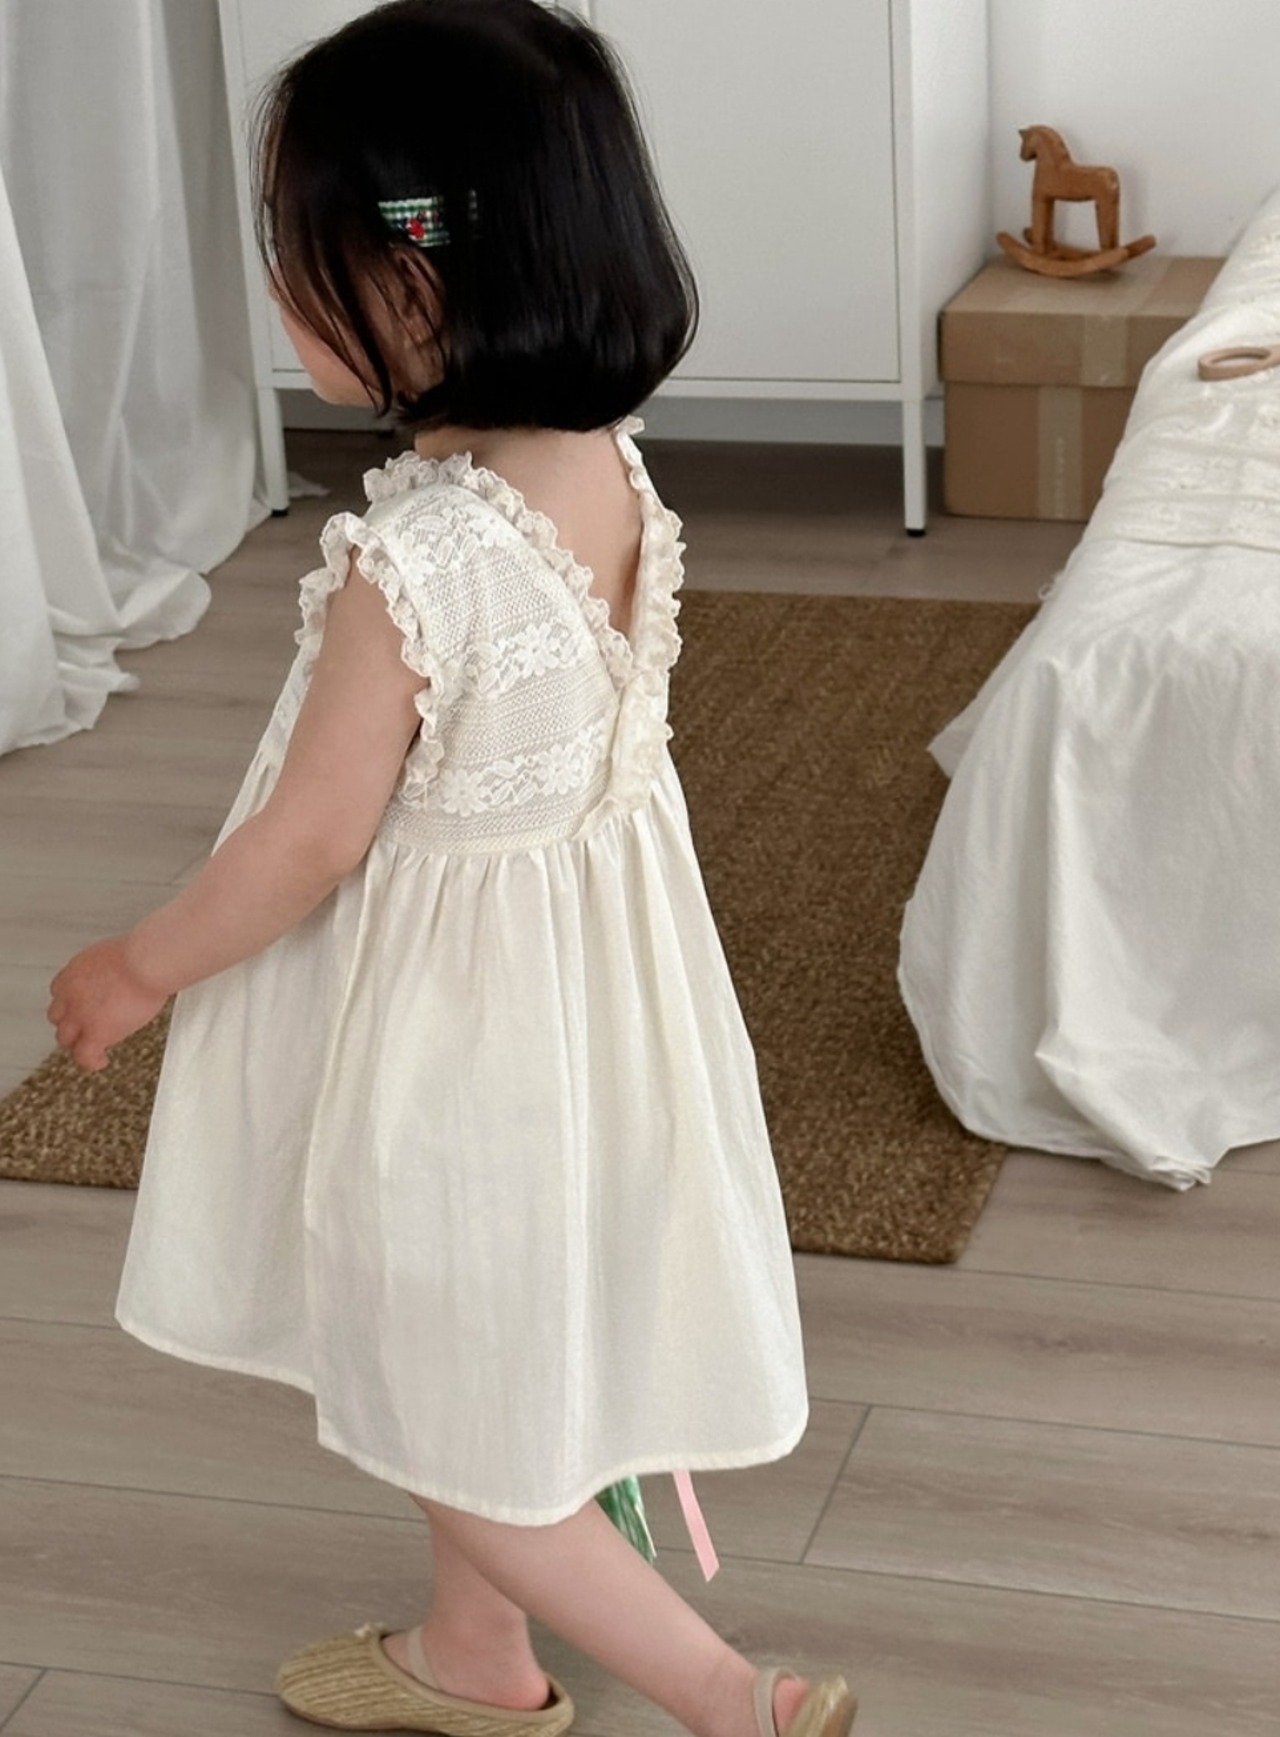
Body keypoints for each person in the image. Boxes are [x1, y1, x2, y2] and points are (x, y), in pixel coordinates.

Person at [45, 4, 856, 1736]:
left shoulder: (414, 558)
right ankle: (476, 1658)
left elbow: (308, 837)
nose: (277, 289)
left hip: (456, 1053)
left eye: (296, 254)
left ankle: (731, 1695)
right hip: (591, 1020)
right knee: (483, 1372)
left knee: (442, 1404)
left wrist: (138, 965)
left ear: (414, 287)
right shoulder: (604, 468)